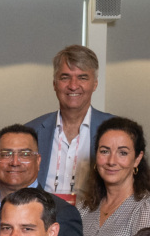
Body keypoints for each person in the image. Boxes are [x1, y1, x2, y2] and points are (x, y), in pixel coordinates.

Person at [26, 45, 114, 203]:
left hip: (95, 221)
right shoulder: (31, 131)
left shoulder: (115, 130)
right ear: (54, 84)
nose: (73, 85)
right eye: (65, 77)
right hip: (42, 221)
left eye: (82, 77)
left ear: (95, 84)